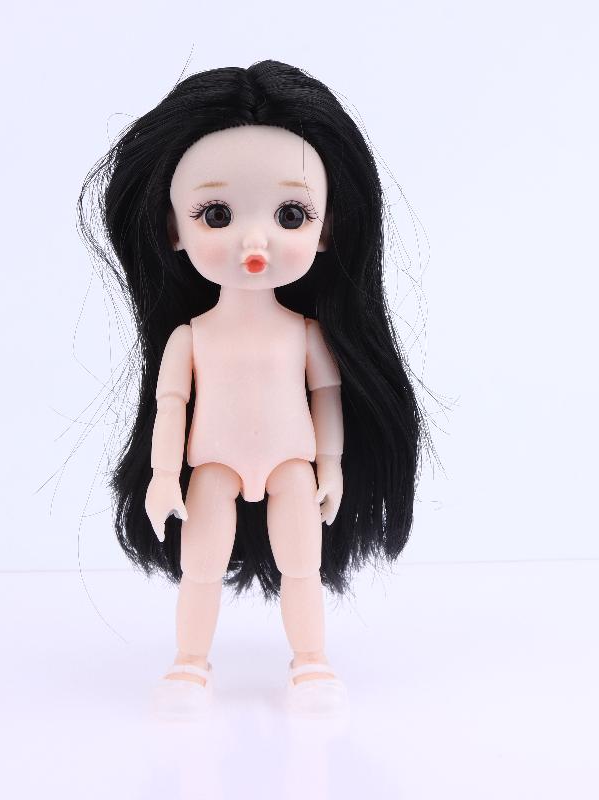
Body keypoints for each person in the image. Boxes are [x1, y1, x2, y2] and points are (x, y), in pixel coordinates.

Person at [77, 60, 427, 718]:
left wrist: (331, 465)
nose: (254, 238)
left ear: (326, 229)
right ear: (173, 228)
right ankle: (189, 663)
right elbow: (171, 406)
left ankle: (311, 661)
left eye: (291, 213)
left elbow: (326, 398)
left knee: (301, 566)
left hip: (293, 463)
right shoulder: (190, 338)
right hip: (212, 465)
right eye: (216, 214)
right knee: (201, 567)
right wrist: (162, 476)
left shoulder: (306, 333)